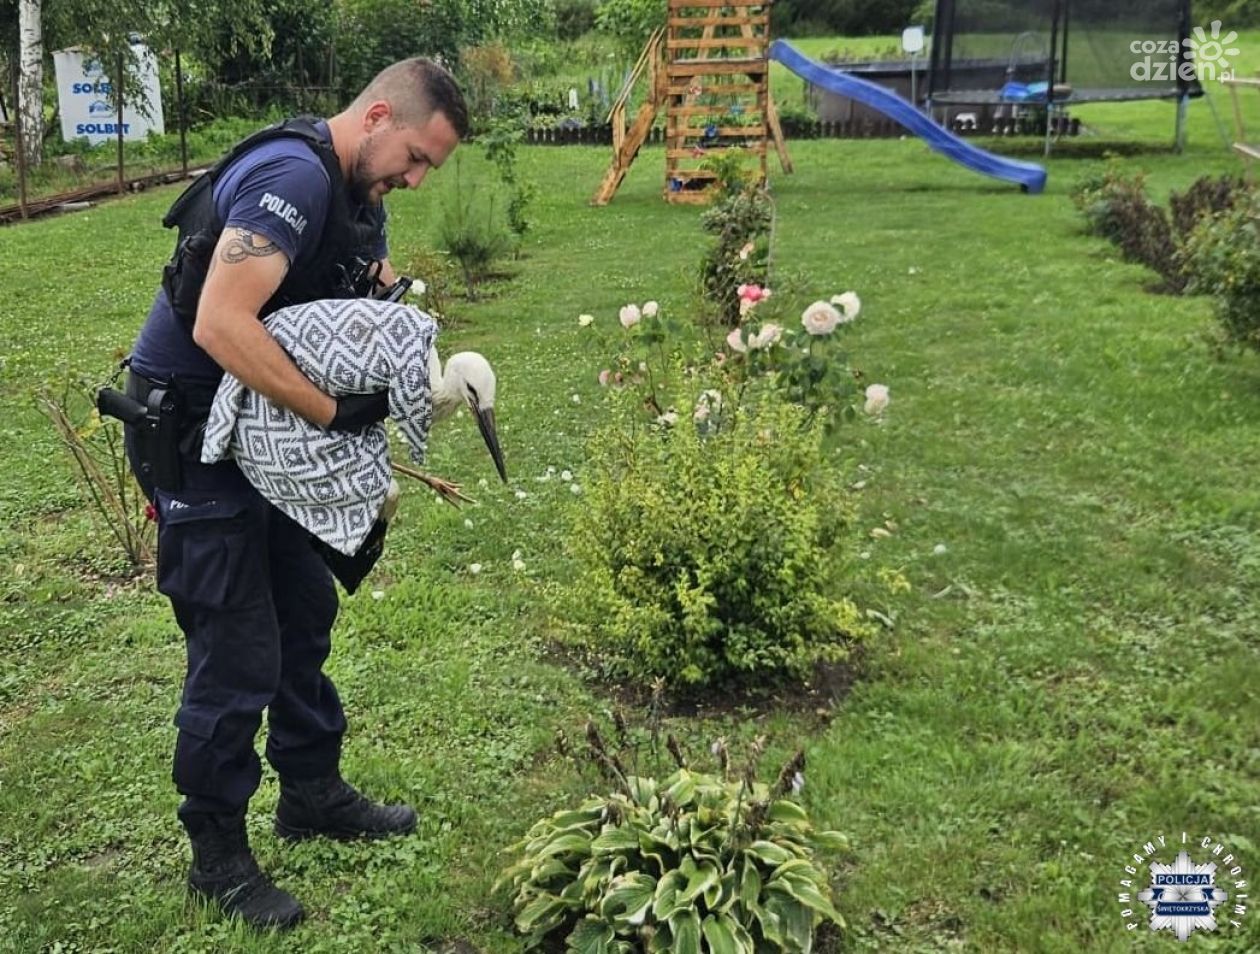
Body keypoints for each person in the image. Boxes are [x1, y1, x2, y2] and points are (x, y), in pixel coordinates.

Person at [121, 58, 468, 931]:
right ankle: (217, 856)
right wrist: (335, 411)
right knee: (236, 643)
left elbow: (345, 305)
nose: (415, 180)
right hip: (196, 432)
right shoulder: (292, 176)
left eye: (430, 169)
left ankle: (310, 791)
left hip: (265, 433)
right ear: (380, 114)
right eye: (416, 157)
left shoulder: (363, 202)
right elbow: (220, 323)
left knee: (304, 607)